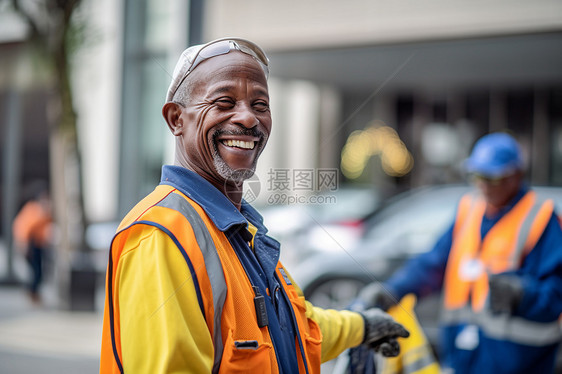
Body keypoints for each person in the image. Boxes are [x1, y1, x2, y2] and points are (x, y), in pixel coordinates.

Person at [100, 37, 409, 373]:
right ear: (176, 119)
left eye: (260, 105)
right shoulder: (161, 236)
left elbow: (295, 330)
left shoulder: (237, 229)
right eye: (224, 102)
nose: (248, 119)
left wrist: (361, 326)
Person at [358, 132, 562, 374]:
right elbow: (433, 264)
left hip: (519, 362)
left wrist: (522, 295)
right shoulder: (470, 209)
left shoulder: (542, 219)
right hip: (464, 356)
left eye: (491, 177)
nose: (483, 184)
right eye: (477, 176)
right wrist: (393, 290)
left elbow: (555, 294)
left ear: (515, 176)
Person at [12, 181, 53, 304]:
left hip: (40, 244)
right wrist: (23, 244)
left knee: (40, 270)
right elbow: (25, 228)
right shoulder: (34, 209)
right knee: (36, 271)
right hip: (32, 244)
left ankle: (34, 293)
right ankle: (32, 293)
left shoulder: (42, 209)